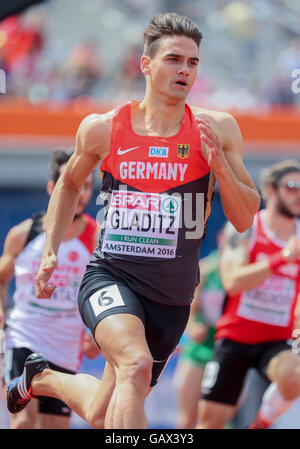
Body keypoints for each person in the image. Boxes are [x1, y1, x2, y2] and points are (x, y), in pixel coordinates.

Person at [6, 12, 259, 429]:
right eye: (174, 59)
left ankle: (43, 378)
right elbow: (69, 185)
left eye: (193, 62)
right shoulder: (104, 128)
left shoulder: (217, 129)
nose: (185, 70)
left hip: (172, 297)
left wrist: (222, 170)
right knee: (136, 365)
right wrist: (51, 248)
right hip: (112, 276)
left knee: (104, 411)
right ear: (146, 64)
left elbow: (246, 217)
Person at [197, 159, 300, 429]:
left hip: (277, 340)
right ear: (271, 190)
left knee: (295, 375)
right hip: (236, 337)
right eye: (291, 186)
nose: (298, 193)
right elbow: (232, 282)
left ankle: (260, 424)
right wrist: (282, 258)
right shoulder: (247, 228)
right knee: (210, 423)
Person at [1, 150, 99, 429]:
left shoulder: (96, 238)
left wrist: (96, 332)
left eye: (87, 187)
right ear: (52, 188)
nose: (79, 193)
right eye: (73, 184)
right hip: (23, 337)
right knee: (22, 424)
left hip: (65, 348)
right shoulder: (24, 234)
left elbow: (106, 288)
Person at [173, 232, 226, 429]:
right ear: (221, 239)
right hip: (200, 348)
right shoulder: (206, 268)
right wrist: (193, 326)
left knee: (215, 421)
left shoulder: (245, 271)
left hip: (227, 348)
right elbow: (189, 307)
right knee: (186, 418)